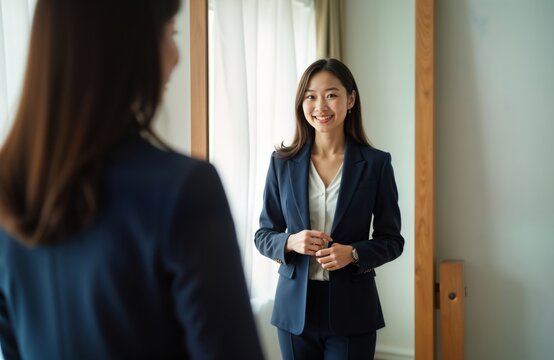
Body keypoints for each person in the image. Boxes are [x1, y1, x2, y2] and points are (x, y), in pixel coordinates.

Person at [0, 0, 264, 359]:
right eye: (169, 35)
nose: (175, 56)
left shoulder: (10, 191)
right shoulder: (184, 190)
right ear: (125, 49)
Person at [254, 58, 404, 359]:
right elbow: (263, 234)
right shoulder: (281, 163)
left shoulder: (376, 164)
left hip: (353, 310)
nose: (320, 106)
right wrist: (290, 241)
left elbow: (392, 240)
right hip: (295, 312)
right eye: (310, 96)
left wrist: (354, 253)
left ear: (350, 99)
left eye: (331, 94)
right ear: (302, 103)